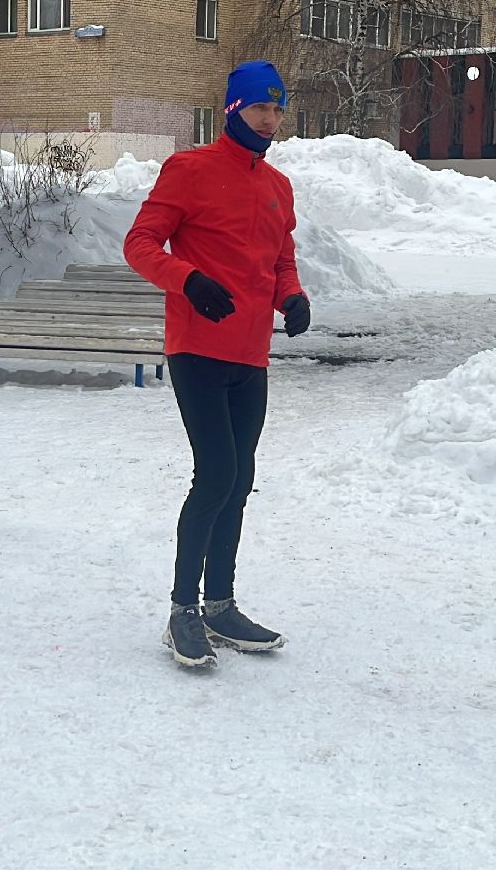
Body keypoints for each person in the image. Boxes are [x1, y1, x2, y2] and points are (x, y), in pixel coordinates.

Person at [125, 60, 311, 668]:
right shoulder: (189, 170)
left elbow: (281, 256)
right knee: (215, 474)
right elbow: (141, 243)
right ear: (234, 108)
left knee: (239, 479)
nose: (271, 119)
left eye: (279, 109)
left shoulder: (278, 185)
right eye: (261, 107)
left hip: (250, 354)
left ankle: (221, 605)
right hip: (198, 346)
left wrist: (293, 295)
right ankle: (183, 610)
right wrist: (189, 279)